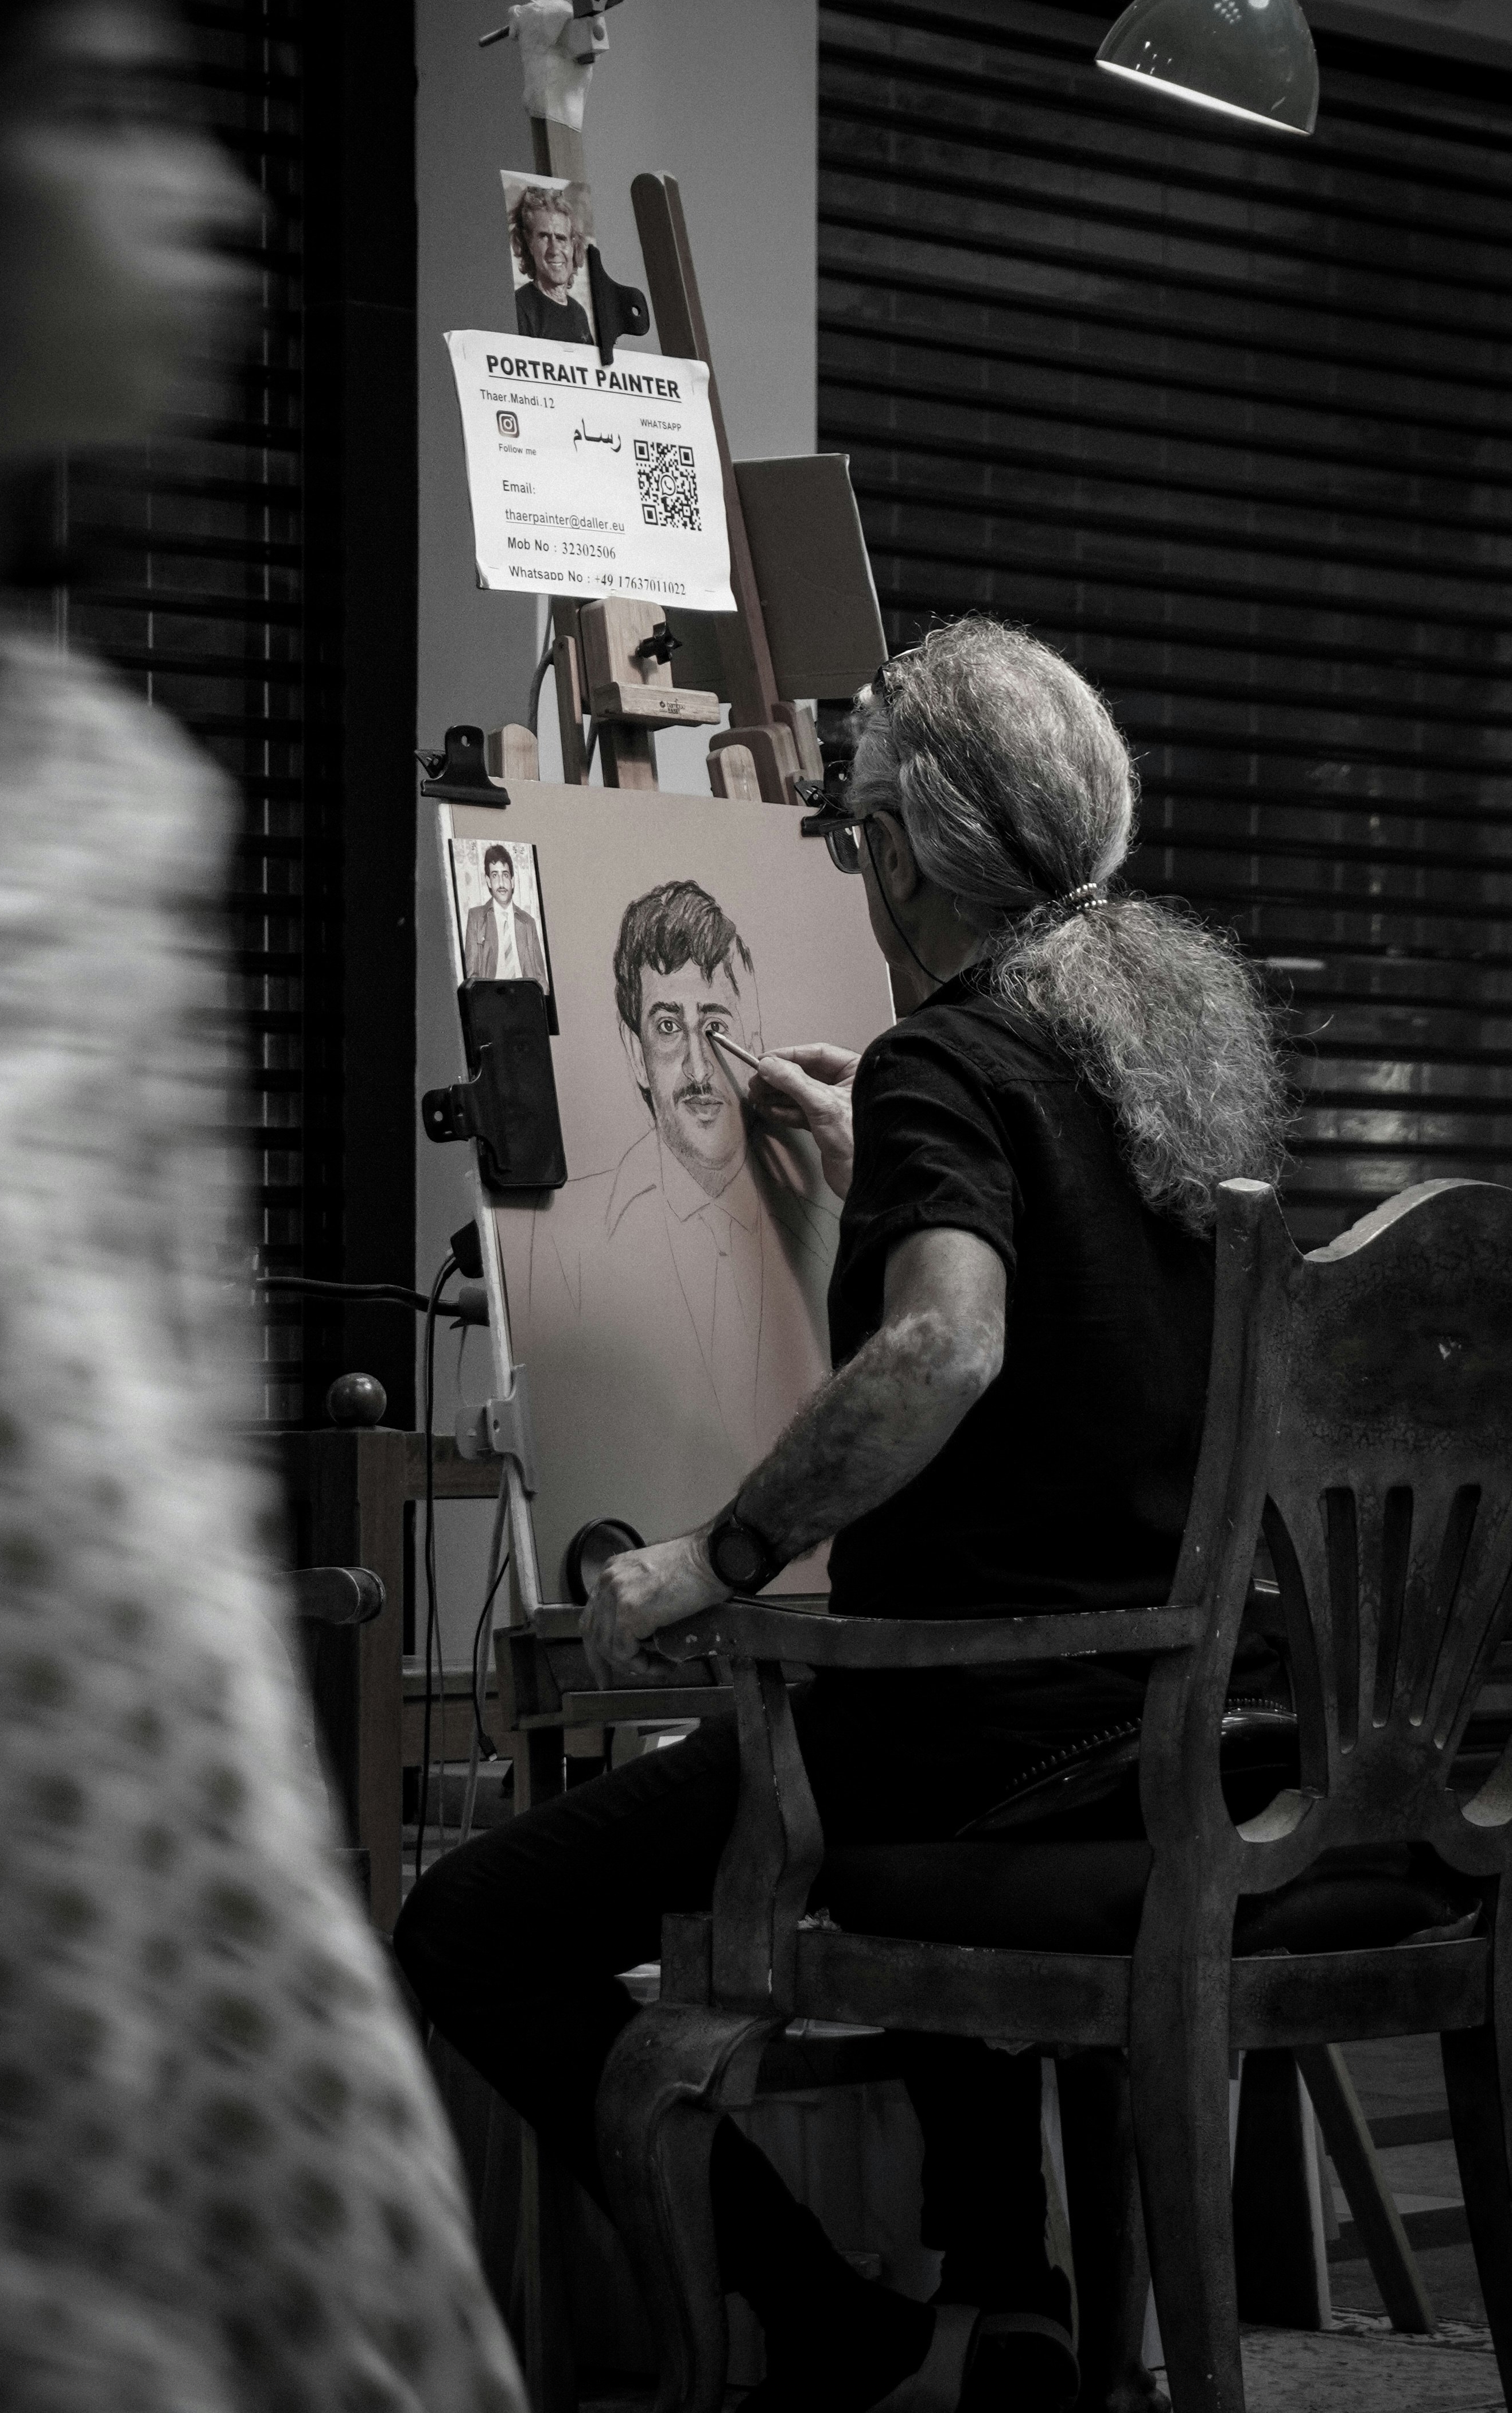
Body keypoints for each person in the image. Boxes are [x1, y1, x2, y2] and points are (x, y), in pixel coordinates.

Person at [0, 0, 523, 2413]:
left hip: (119, 1873)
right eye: (94, 110)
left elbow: (175, 1494)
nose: (208, 194)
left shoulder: (115, 811)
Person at [397, 618, 1289, 2413]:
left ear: (896, 853)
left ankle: (842, 2336)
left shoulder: (944, 1063)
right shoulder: (1170, 1064)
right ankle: (1006, 2295)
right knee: (879, 1688)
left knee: (468, 1923)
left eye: (849, 825)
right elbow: (1049, 1385)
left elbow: (948, 1343)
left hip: (988, 1748)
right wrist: (877, 1164)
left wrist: (712, 1551)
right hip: (1205, 1739)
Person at [527, 880, 834, 1488]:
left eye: (714, 1028)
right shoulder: (568, 1247)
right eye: (667, 1027)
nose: (696, 1068)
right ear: (635, 1051)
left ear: (752, 1041)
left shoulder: (829, 1233)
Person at [510, 185, 594, 345]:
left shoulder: (578, 313)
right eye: (544, 237)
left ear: (573, 246)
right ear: (529, 243)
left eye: (561, 238)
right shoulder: (521, 308)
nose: (554, 250)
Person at [462, 843, 547, 988]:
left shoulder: (528, 922)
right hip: (492, 997)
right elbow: (472, 977)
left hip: (524, 996)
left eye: (505, 875)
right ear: (488, 881)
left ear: (513, 881)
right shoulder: (476, 918)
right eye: (495, 875)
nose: (501, 883)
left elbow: (541, 978)